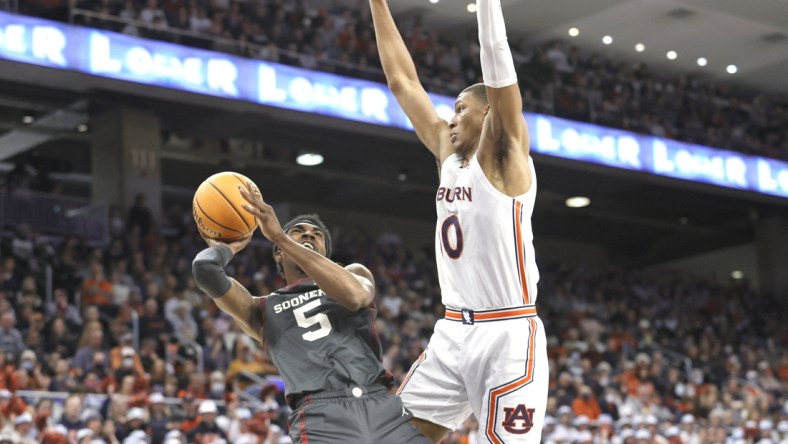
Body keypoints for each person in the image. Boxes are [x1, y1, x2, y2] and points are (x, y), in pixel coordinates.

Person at [370, 0, 548, 442]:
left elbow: (497, 64)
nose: (450, 117)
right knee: (390, 436)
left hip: (507, 332)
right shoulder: (449, 158)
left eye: (461, 107)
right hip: (452, 331)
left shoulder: (508, 158)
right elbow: (402, 81)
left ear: (488, 114)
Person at [192, 181, 429, 444]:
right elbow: (205, 269)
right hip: (321, 416)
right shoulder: (261, 309)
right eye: (298, 232)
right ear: (279, 254)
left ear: (326, 254)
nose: (308, 235)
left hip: (382, 407)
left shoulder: (354, 273)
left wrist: (281, 236)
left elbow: (354, 296)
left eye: (316, 235)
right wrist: (230, 244)